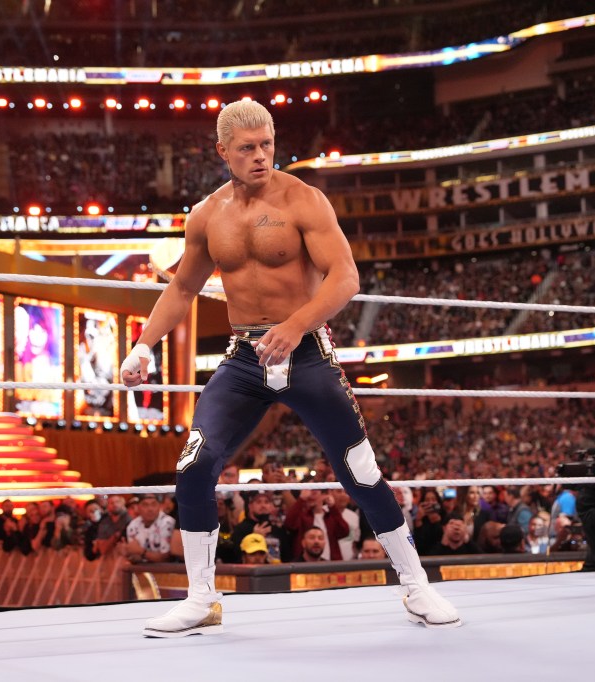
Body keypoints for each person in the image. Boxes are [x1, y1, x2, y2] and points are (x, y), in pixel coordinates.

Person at [121, 99, 460, 637]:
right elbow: (183, 286)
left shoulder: (305, 200)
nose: (260, 157)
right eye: (247, 148)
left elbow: (345, 278)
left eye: (267, 145)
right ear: (222, 152)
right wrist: (144, 345)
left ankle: (416, 584)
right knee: (192, 468)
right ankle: (202, 598)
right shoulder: (208, 215)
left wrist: (298, 324)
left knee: (361, 470)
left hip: (305, 353)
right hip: (243, 358)